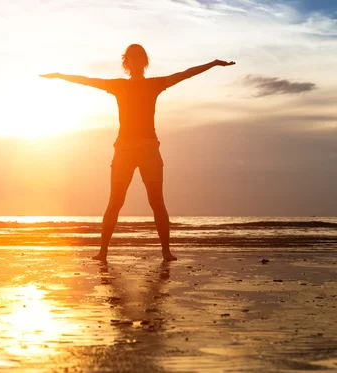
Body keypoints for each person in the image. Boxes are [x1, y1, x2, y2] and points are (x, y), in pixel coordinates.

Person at [40, 44, 235, 262]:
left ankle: (166, 252)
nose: (135, 62)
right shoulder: (118, 86)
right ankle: (102, 252)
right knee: (115, 201)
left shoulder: (155, 84)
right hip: (123, 148)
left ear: (144, 61)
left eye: (139, 57)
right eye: (131, 58)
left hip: (149, 148)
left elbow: (184, 74)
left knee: (157, 202)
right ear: (126, 62)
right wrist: (60, 76)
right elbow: (87, 80)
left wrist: (213, 64)